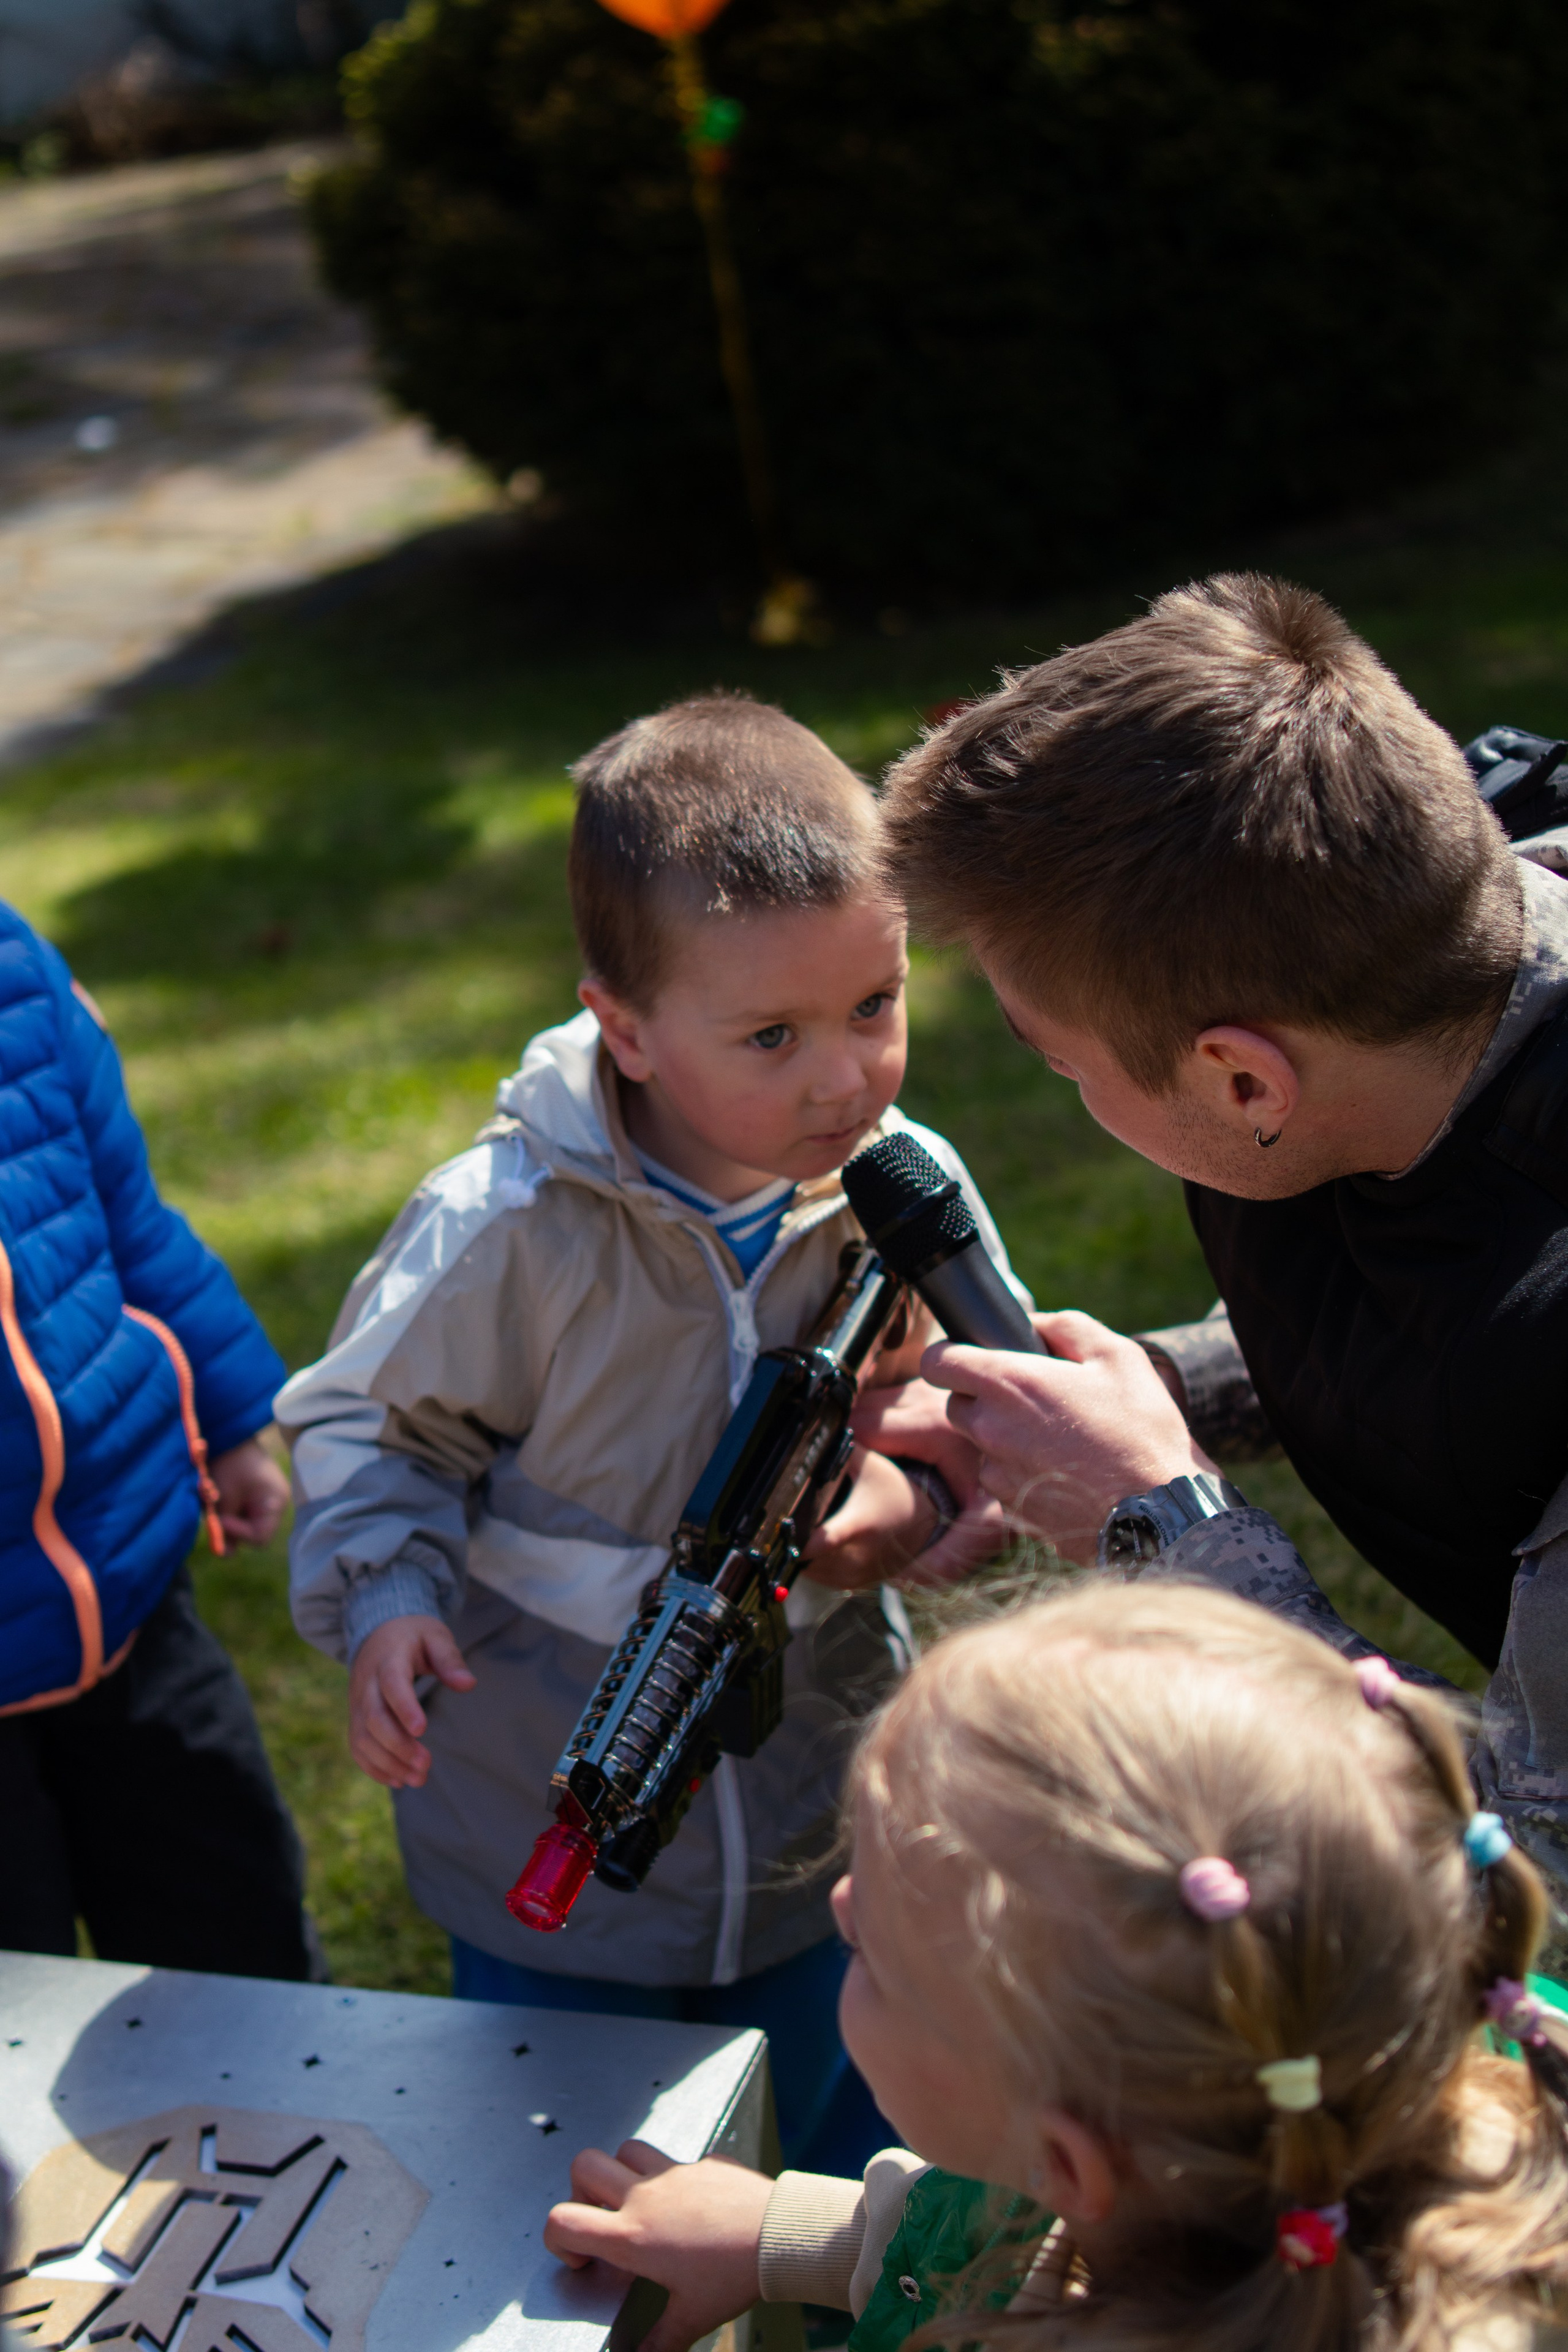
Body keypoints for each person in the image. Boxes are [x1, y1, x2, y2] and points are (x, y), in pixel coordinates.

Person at [280, 692, 1018, 2173]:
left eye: (874, 1006)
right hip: (546, 1821)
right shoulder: (508, 1229)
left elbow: (981, 1407)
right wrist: (388, 1600)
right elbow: (375, 1433)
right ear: (621, 1026)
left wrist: (916, 1507)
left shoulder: (895, 1194)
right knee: (570, 2179)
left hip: (822, 1820)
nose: (842, 1076)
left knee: (832, 2137)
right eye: (771, 1034)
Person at [853, 573, 1568, 1935]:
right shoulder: (1399, 967)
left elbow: (1527, 1870)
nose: (1056, 1086)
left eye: (1053, 1061)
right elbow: (1423, 1308)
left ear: (1242, 1084)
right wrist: (1149, 1397)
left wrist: (1167, 1529)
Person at [543, 1583, 1568, 2352]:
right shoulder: (1386, 2078)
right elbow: (1012, 2233)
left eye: (876, 1959)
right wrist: (792, 2232)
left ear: (1069, 2168)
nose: (842, 1905)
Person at [0, 903, 307, 1979]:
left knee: (234, 1935)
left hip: (131, 1585)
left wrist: (229, 1425)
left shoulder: (18, 970)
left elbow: (128, 1216)